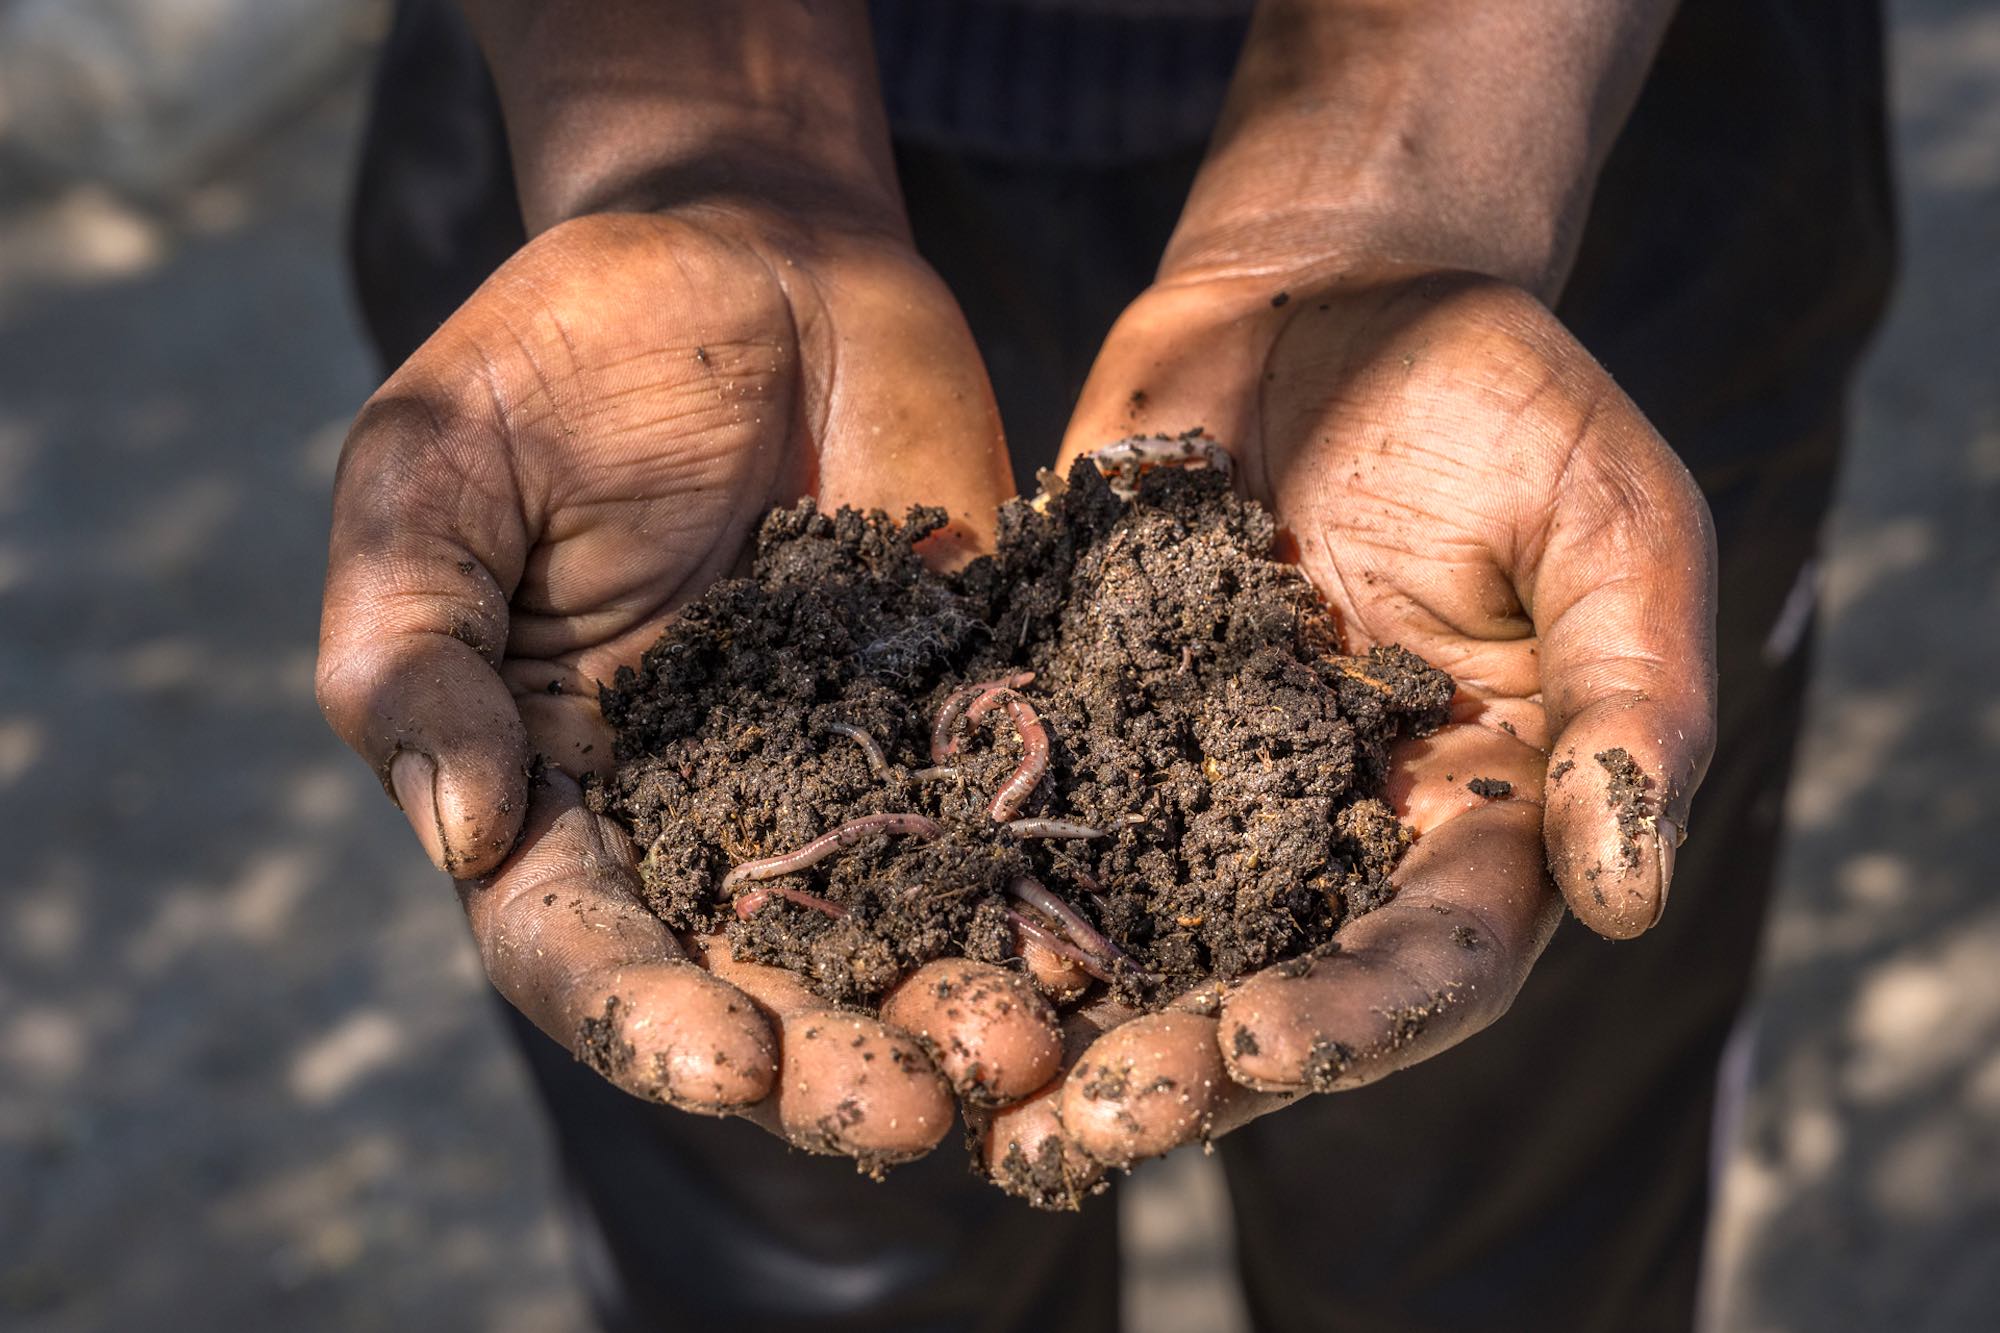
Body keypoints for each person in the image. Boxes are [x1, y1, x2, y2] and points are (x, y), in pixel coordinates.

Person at [318, 1, 1893, 1328]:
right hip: (657, 192)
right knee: (801, 1254)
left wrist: (1408, 179)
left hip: (1544, 133)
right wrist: (701, 149)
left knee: (1503, 1212)